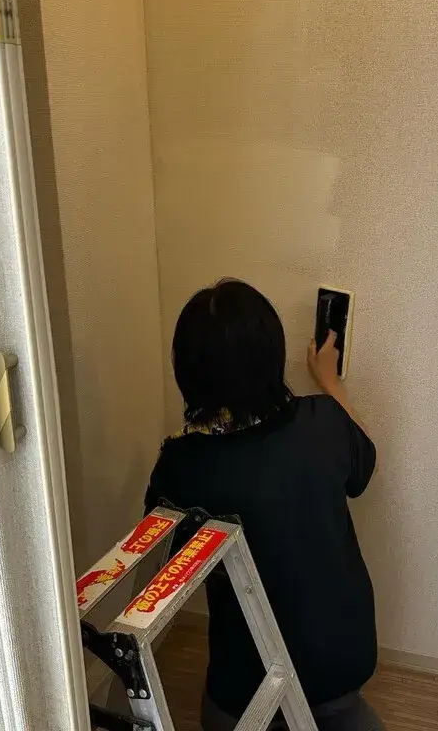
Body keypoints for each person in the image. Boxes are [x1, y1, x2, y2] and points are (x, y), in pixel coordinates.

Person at [144, 279, 384, 731]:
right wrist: (330, 381)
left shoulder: (180, 465)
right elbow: (364, 462)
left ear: (186, 372)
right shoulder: (322, 422)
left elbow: (167, 569)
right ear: (273, 356)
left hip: (244, 685)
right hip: (339, 665)